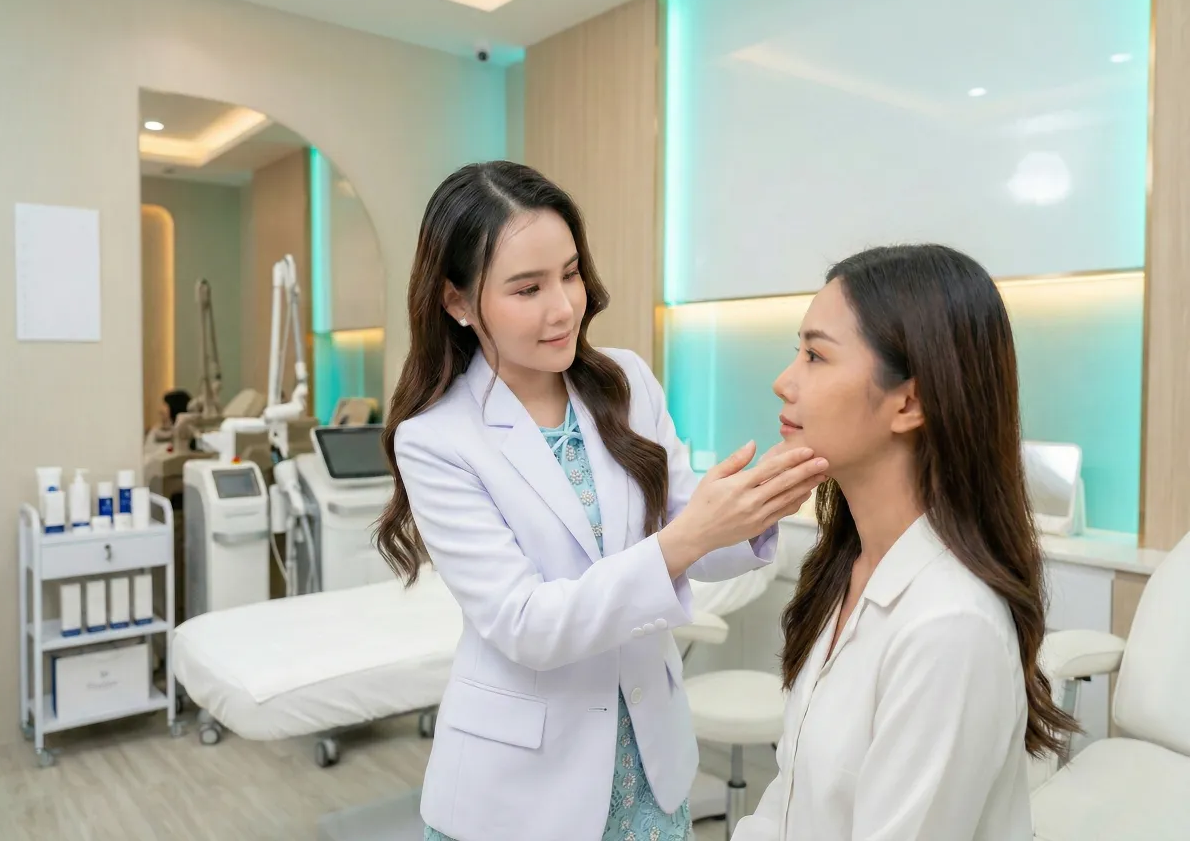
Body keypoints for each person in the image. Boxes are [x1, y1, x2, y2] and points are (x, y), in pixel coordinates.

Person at [375, 161, 828, 841]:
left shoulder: (625, 383)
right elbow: (528, 624)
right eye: (527, 288)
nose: (563, 307)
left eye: (570, 273)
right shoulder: (436, 440)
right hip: (520, 791)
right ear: (458, 302)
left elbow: (688, 528)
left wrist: (756, 507)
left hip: (649, 763)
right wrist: (691, 535)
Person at [732, 244, 1078, 841]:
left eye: (815, 355)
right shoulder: (848, 568)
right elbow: (788, 796)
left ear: (909, 402)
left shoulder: (949, 625)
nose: (783, 381)